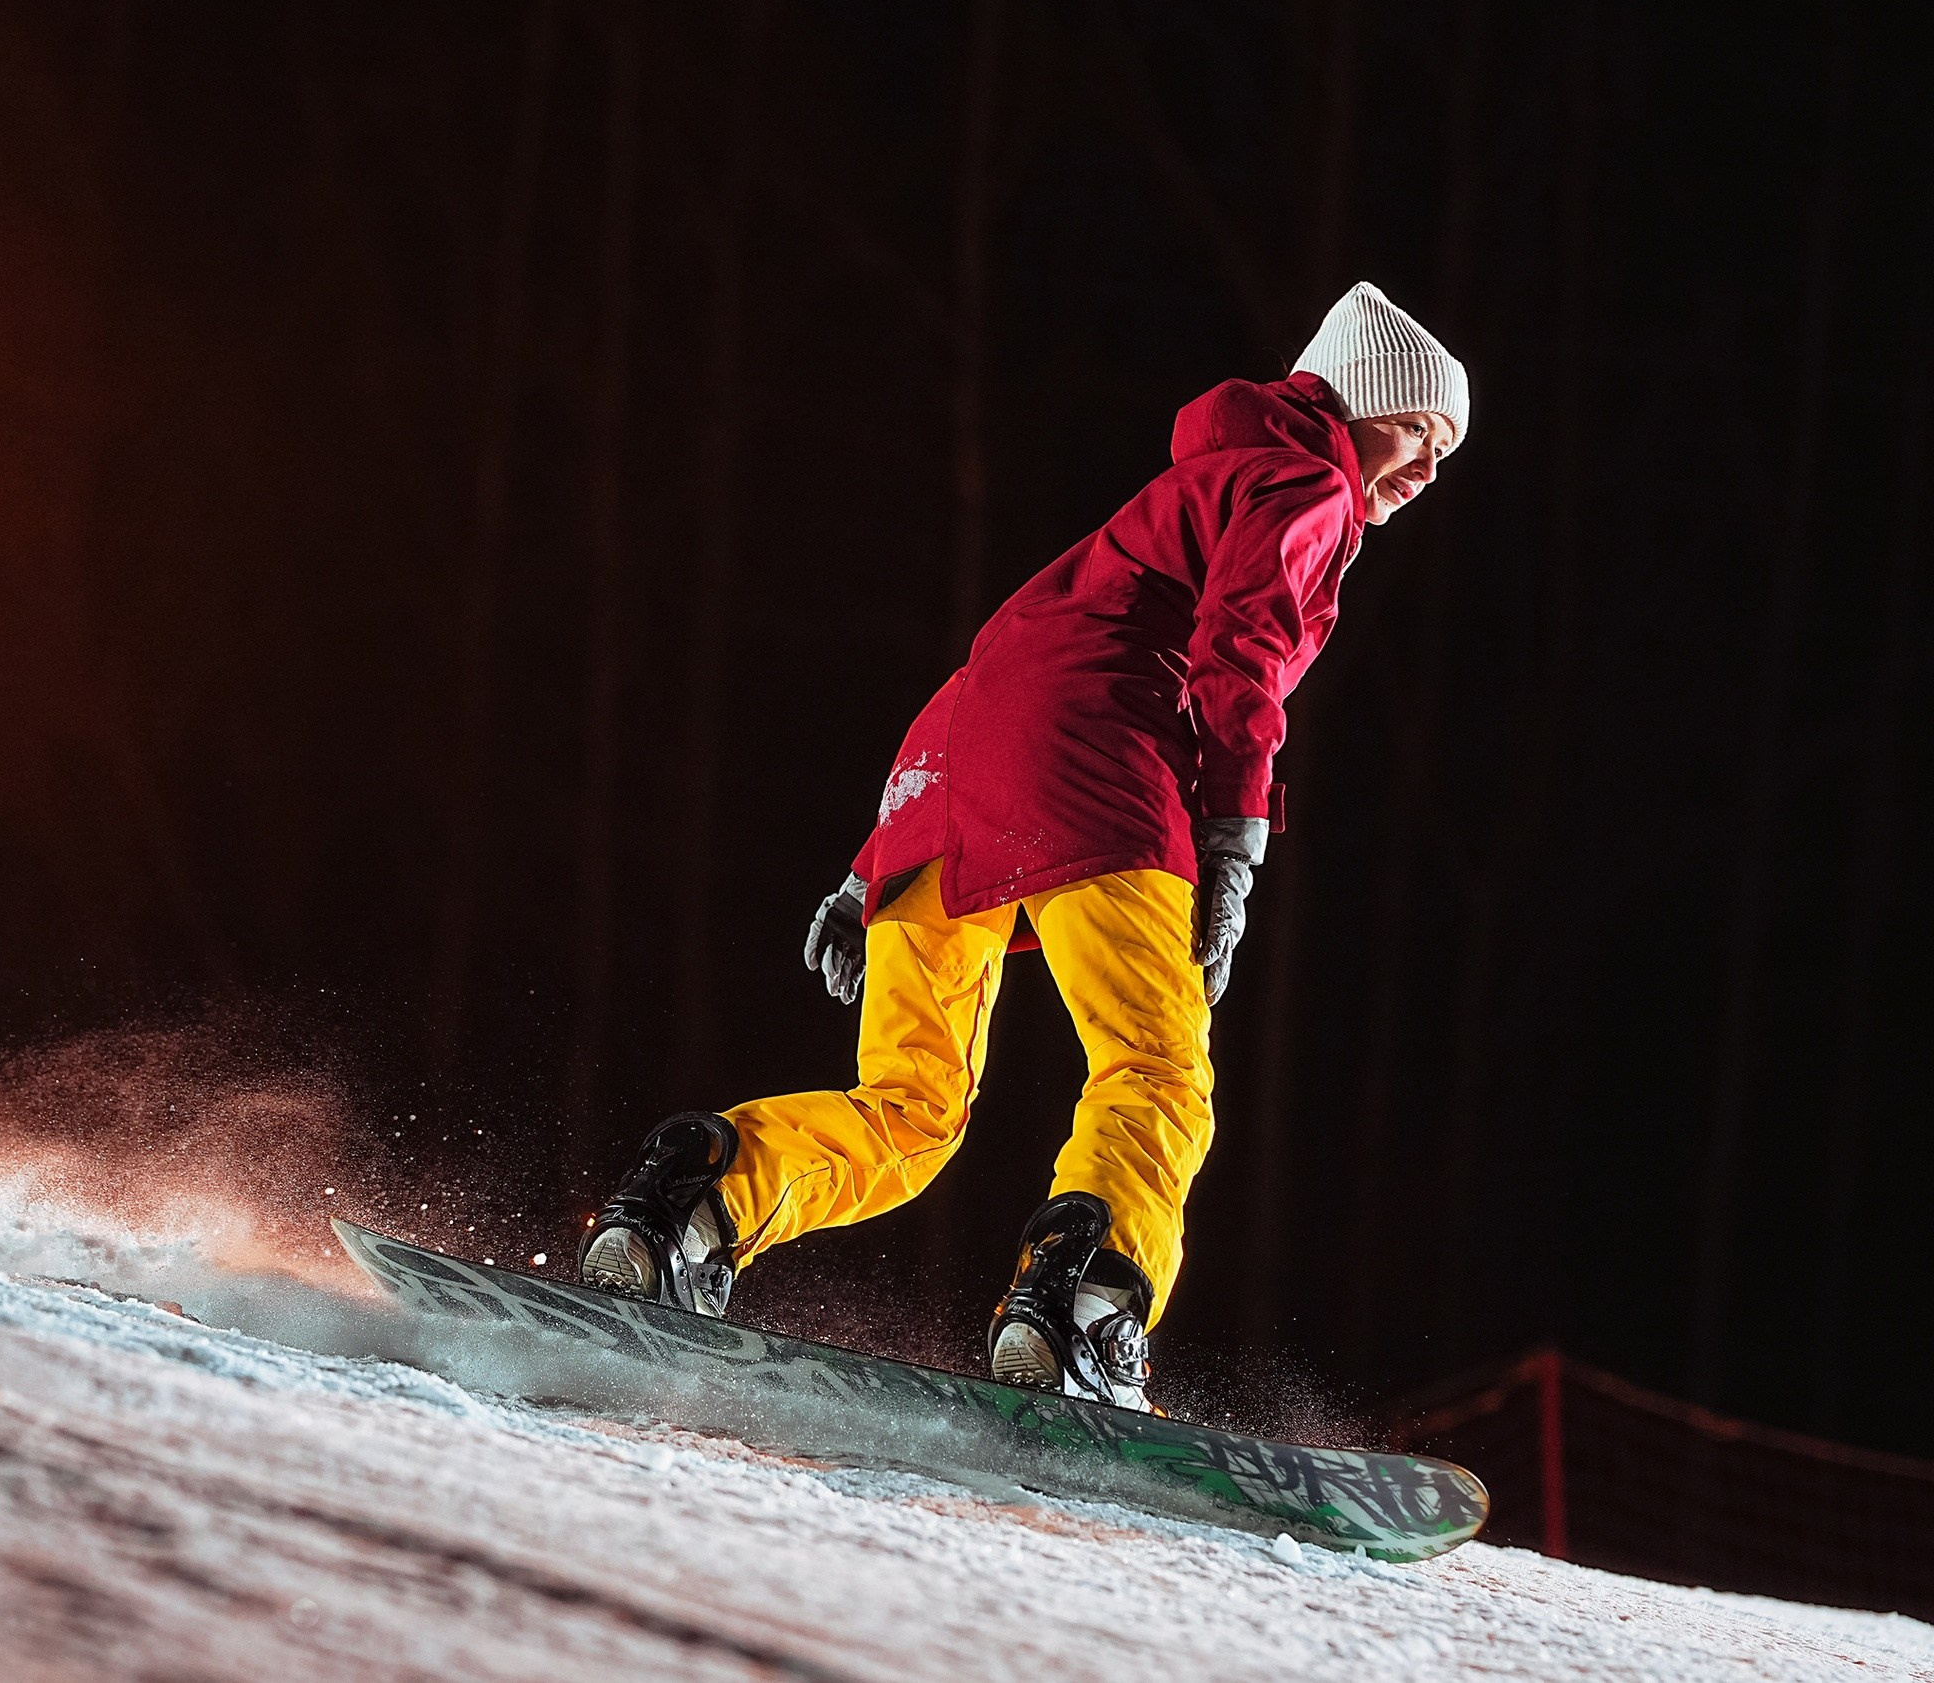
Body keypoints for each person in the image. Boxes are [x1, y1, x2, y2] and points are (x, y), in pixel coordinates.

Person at [579, 282, 1467, 1410]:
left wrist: (875, 858)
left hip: (955, 778)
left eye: (1444, 452)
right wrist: (1235, 835)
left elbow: (1000, 657)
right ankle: (1082, 1312)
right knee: (1156, 1068)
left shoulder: (1174, 498)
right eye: (1415, 430)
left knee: (909, 1106)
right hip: (1098, 766)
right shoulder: (1305, 483)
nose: (1425, 468)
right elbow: (1240, 653)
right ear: (1349, 403)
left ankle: (683, 1212)